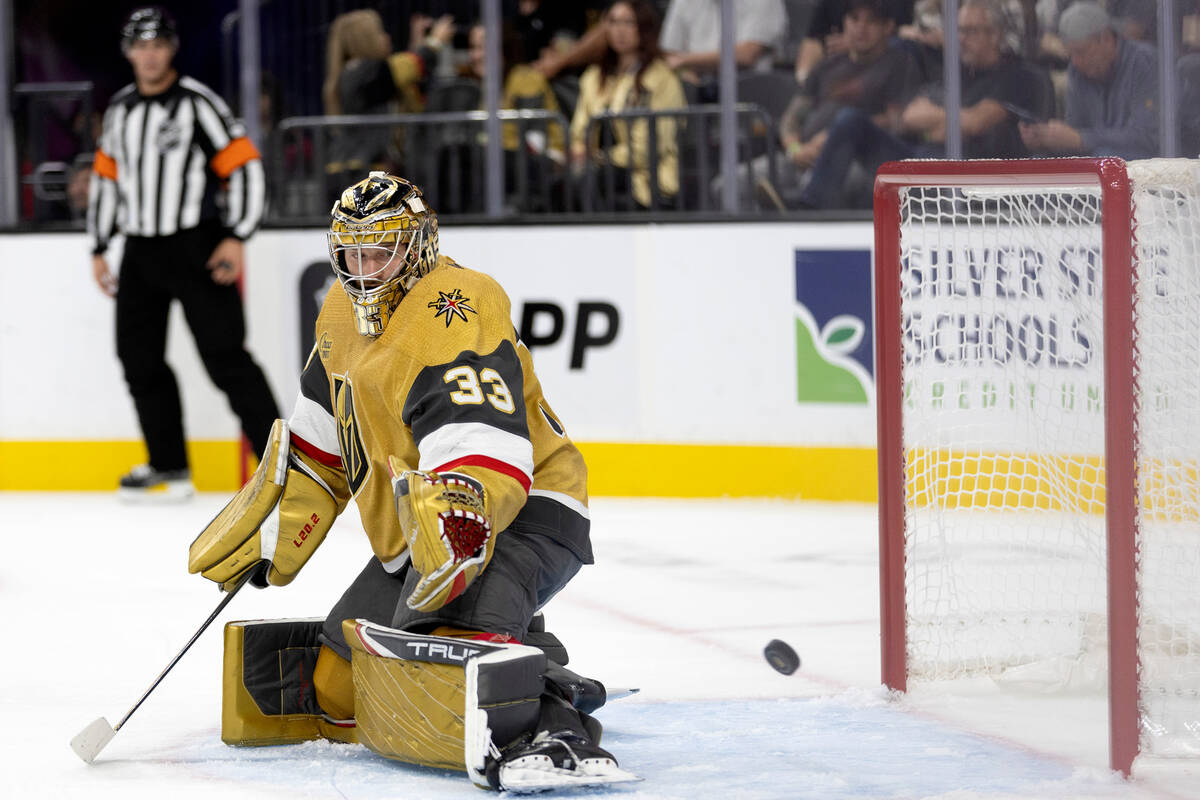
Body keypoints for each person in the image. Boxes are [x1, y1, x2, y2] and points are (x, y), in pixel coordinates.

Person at [187, 172, 637, 793]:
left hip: (519, 511)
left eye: (381, 249)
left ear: (418, 246)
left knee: (453, 651)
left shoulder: (453, 304)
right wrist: (273, 535)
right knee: (337, 686)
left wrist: (455, 517)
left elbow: (482, 443)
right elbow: (323, 452)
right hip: (422, 534)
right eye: (350, 252)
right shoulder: (341, 315)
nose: (364, 268)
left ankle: (554, 727)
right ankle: (531, 647)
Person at [87, 6, 278, 500]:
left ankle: (284, 469)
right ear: (129, 52)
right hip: (140, 250)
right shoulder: (121, 110)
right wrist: (100, 246)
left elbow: (246, 167)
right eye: (140, 46)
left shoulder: (198, 103)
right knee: (138, 359)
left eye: (158, 46)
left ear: (171, 49)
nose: (149, 56)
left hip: (197, 245)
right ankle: (168, 465)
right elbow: (107, 181)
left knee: (226, 358)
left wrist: (236, 234)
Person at [796, 0, 1042, 209]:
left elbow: (974, 124)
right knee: (850, 120)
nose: (962, 39)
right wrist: (948, 122)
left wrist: (938, 121)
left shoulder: (1017, 76)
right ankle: (811, 212)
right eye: (958, 31)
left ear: (995, 34)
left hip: (970, 179)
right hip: (917, 163)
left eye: (971, 31)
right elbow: (910, 116)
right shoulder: (956, 73)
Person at [761, 0, 922, 207]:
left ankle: (802, 215)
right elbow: (792, 118)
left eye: (871, 21)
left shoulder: (899, 64)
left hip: (857, 157)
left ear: (888, 27)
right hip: (803, 152)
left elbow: (898, 121)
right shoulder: (825, 66)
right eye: (854, 19)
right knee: (737, 181)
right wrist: (794, 149)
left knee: (833, 179)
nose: (860, 28)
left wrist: (834, 136)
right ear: (844, 22)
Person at [571, 0, 687, 210]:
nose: (620, 30)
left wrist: (600, 157)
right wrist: (579, 150)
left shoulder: (662, 78)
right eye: (613, 22)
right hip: (602, 172)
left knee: (589, 180)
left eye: (628, 23)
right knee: (562, 182)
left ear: (644, 27)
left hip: (646, 178)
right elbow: (578, 134)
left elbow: (650, 147)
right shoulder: (593, 77)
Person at [322, 9, 455, 182]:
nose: (387, 37)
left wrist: (416, 45)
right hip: (358, 172)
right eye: (381, 32)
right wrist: (435, 41)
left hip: (353, 168)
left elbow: (404, 76)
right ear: (365, 40)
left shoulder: (353, 72)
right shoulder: (366, 72)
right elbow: (412, 65)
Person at [1018, 2, 1158, 159]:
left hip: (1146, 168)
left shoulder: (1145, 63)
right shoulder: (1078, 71)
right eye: (1071, 55)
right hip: (1098, 163)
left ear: (1106, 39)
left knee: (1104, 155)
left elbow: (1148, 137)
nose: (1075, 62)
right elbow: (1075, 137)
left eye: (1081, 52)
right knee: (1038, 159)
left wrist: (1081, 139)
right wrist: (1047, 139)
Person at [660, 0, 788, 98]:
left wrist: (684, 61)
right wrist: (685, 71)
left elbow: (747, 54)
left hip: (749, 98)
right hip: (694, 94)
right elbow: (669, 54)